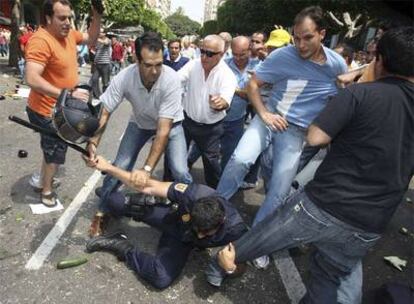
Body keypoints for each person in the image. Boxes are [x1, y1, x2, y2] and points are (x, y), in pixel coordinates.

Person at [206, 26, 414, 304]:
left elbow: (316, 137)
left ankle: (217, 268)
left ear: (380, 60)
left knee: (244, 248)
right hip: (370, 224)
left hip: (322, 207)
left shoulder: (360, 94)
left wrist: (359, 84)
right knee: (333, 282)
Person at [217, 6, 347, 268]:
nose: (300, 44)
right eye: (296, 37)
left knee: (278, 192)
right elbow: (253, 85)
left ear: (322, 34)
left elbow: (343, 97)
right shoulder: (281, 57)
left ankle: (256, 244)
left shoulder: (337, 65)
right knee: (240, 159)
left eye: (308, 37)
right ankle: (211, 210)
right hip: (268, 120)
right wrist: (263, 114)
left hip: (297, 133)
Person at [85, 32, 192, 237]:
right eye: (148, 65)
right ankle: (102, 211)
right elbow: (105, 112)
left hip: (171, 125)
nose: (154, 71)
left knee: (180, 170)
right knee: (120, 165)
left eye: (159, 64)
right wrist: (93, 142)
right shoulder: (124, 77)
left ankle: (191, 212)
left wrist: (147, 168)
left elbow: (162, 131)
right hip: (140, 123)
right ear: (136, 60)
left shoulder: (171, 80)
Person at [86, 155, 247, 289]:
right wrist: (109, 168)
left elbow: (243, 263)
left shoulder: (236, 229)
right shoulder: (194, 194)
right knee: (113, 201)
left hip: (183, 241)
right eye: (197, 228)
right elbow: (148, 186)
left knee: (160, 278)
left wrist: (230, 268)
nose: (200, 234)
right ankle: (139, 202)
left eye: (205, 232)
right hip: (175, 219)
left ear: (222, 221)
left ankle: (121, 246)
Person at [25, 0, 101, 207]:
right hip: (45, 109)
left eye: (69, 17)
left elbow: (91, 38)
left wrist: (97, 15)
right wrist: (67, 95)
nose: (67, 22)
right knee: (56, 150)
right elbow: (32, 78)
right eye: (62, 18)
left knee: (51, 147)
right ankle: (46, 190)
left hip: (61, 105)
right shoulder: (41, 40)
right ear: (48, 18)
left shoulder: (68, 34)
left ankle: (43, 179)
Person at [178, 35, 237, 188]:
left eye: (210, 54)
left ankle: (214, 197)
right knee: (174, 155)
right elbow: (176, 80)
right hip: (187, 122)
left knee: (211, 163)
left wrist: (221, 103)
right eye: (202, 51)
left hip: (211, 129)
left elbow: (226, 99)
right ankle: (168, 189)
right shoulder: (193, 65)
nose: (204, 57)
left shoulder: (228, 75)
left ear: (221, 54)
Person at [90, 29, 111, 98]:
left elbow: (106, 43)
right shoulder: (97, 42)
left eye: (101, 32)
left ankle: (105, 97)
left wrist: (96, 38)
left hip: (105, 64)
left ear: (105, 34)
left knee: (105, 82)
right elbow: (95, 51)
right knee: (94, 80)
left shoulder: (108, 40)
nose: (99, 33)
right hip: (97, 64)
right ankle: (98, 96)